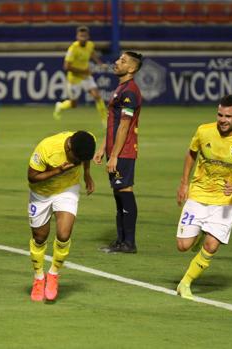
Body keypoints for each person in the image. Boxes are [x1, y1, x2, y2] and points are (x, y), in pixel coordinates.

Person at [175, 94, 232, 300]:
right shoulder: (204, 131)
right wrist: (184, 183)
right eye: (220, 114)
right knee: (183, 246)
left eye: (228, 116)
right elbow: (191, 153)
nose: (223, 120)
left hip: (226, 202)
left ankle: (185, 283)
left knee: (211, 245)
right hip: (199, 194)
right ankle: (199, 232)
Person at [28, 131, 95, 302]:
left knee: (64, 234)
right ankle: (38, 277)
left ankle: (53, 274)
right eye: (76, 159)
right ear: (69, 147)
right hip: (41, 193)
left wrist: (86, 174)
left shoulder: (86, 140)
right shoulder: (46, 148)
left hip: (67, 189)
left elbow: (86, 158)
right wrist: (58, 170)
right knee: (39, 237)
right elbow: (32, 177)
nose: (77, 163)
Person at [94, 51, 143, 254]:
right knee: (118, 192)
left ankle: (129, 243)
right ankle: (121, 239)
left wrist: (114, 155)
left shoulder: (130, 91)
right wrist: (103, 147)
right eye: (118, 59)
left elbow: (124, 126)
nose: (116, 62)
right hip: (115, 149)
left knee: (124, 191)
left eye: (122, 61)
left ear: (131, 68)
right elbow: (113, 124)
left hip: (123, 151)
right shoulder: (121, 88)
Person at [53, 26, 108, 126]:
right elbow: (66, 67)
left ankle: (105, 120)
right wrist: (84, 71)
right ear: (77, 37)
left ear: (88, 37)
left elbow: (92, 53)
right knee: (74, 104)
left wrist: (100, 63)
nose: (83, 38)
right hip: (74, 79)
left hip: (86, 77)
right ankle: (60, 106)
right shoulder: (73, 48)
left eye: (85, 36)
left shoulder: (90, 45)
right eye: (81, 36)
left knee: (97, 96)